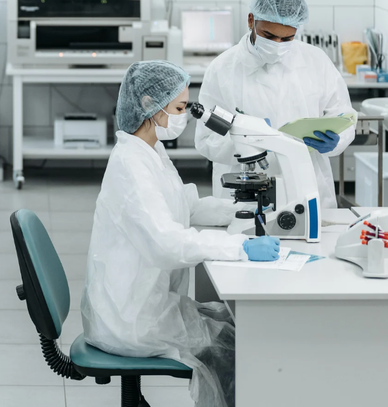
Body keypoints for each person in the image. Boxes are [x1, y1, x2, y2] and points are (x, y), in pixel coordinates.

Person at [81, 60, 280, 407]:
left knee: (236, 323)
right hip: (131, 319)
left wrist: (240, 211)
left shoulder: (150, 150)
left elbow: (184, 206)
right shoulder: (131, 166)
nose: (184, 116)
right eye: (178, 108)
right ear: (149, 105)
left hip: (147, 303)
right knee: (235, 346)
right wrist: (240, 247)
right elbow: (167, 243)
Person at [195, 0, 355, 210]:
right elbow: (206, 139)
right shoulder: (222, 69)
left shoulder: (315, 61)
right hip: (244, 192)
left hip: (307, 184)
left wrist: (337, 140)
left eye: (287, 39)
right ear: (251, 20)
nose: (277, 45)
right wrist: (248, 142)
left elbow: (343, 113)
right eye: (268, 35)